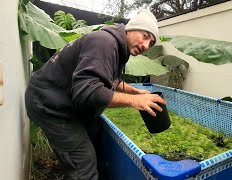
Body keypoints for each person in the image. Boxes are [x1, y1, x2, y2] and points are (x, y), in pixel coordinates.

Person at [25, 9, 166, 179]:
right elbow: (88, 91)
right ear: (132, 28)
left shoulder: (118, 47)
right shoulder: (105, 43)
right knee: (84, 164)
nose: (145, 46)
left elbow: (111, 80)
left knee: (95, 135)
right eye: (145, 36)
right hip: (49, 105)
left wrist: (137, 91)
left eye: (150, 43)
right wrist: (135, 100)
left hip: (64, 99)